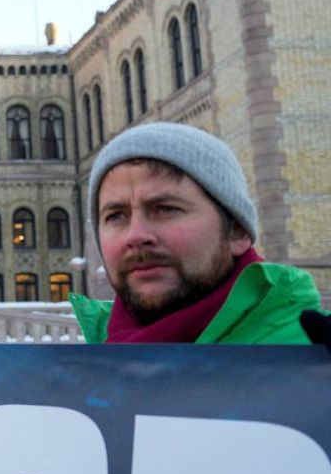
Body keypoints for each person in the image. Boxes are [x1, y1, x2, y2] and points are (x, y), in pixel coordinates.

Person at [71, 122, 323, 343]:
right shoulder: (87, 366)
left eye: (165, 209)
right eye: (116, 216)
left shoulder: (310, 358)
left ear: (236, 231)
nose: (136, 235)